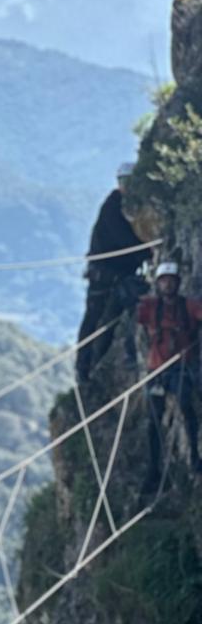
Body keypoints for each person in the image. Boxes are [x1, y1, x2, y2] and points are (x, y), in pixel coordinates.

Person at [76, 162, 152, 384]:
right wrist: (148, 253)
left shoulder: (132, 206)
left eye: (128, 181)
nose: (125, 186)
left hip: (122, 275)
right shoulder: (113, 205)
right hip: (105, 274)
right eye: (122, 181)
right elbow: (123, 239)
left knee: (114, 321)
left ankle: (102, 363)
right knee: (95, 320)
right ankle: (83, 367)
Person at [137, 260, 202, 492]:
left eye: (170, 281)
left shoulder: (189, 306)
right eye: (163, 281)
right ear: (158, 284)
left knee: (186, 405)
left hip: (181, 367)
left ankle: (194, 456)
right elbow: (135, 311)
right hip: (157, 370)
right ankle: (154, 470)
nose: (167, 285)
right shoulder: (151, 307)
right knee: (153, 421)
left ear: (177, 282)